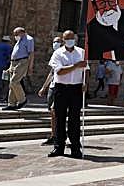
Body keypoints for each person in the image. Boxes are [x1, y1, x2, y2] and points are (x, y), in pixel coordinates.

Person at [47, 30, 87, 159]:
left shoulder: (81, 52)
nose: (70, 40)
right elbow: (59, 72)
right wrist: (75, 66)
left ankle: (75, 147)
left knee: (74, 119)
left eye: (72, 38)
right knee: (60, 117)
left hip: (76, 88)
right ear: (63, 40)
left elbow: (86, 71)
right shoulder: (58, 53)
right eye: (67, 38)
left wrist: (86, 84)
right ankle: (59, 146)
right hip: (61, 88)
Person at [38, 36, 62, 145]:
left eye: (58, 42)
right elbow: (51, 73)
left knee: (55, 111)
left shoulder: (65, 55)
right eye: (54, 42)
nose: (55, 43)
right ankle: (54, 135)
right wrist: (44, 87)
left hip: (61, 87)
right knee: (52, 113)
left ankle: (59, 135)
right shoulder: (54, 55)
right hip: (52, 87)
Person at [3, 27, 34, 110]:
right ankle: (11, 103)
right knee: (11, 83)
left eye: (16, 34)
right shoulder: (19, 41)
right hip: (14, 62)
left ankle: (22, 99)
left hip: (22, 61)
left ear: (22, 32)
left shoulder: (29, 39)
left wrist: (30, 67)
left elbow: (31, 53)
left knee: (14, 81)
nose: (15, 36)